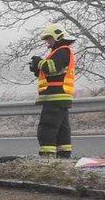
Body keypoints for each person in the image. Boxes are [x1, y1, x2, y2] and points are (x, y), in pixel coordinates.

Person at [29, 23, 76, 158]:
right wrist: (37, 70)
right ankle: (63, 157)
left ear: (57, 37)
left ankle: (47, 158)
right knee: (62, 129)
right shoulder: (61, 52)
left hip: (54, 97)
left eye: (49, 39)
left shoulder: (62, 51)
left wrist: (38, 62)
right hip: (59, 97)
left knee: (47, 127)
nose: (48, 43)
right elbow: (52, 73)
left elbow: (52, 67)